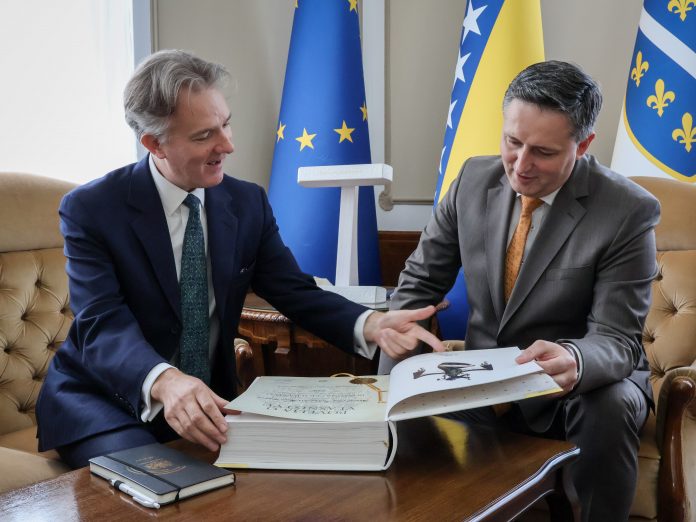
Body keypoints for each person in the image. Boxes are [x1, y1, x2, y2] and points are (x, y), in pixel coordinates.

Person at [36, 49, 444, 469]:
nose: (228, 145)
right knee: (162, 478)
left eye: (226, 124)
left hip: (209, 401)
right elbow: (101, 323)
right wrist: (165, 381)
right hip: (105, 402)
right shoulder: (93, 209)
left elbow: (294, 291)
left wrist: (370, 323)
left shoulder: (247, 202)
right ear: (154, 144)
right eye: (204, 136)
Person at [379, 60, 659, 521]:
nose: (521, 165)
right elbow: (419, 284)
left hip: (571, 387)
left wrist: (576, 358)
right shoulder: (473, 180)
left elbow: (618, 339)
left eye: (543, 152)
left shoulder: (627, 211)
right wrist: (397, 330)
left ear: (583, 145)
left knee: (609, 403)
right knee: (399, 354)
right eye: (512, 142)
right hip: (481, 379)